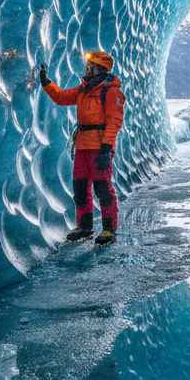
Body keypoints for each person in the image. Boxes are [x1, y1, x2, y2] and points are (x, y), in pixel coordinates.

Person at [38, 50, 125, 246]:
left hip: (100, 146)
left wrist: (106, 148)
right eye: (88, 65)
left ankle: (109, 229)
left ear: (101, 68)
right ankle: (85, 228)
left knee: (102, 188)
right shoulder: (83, 90)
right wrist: (46, 83)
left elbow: (114, 122)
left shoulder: (111, 92)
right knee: (80, 189)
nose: (88, 69)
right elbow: (61, 98)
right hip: (83, 146)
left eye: (91, 65)